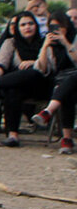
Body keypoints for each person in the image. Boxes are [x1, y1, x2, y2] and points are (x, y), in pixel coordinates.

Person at [0, 12, 49, 147]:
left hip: (41, 84)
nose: (27, 27)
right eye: (23, 25)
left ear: (36, 26)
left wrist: (33, 62)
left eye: (30, 24)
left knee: (32, 73)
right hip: (17, 84)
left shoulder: (44, 42)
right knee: (13, 89)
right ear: (17, 28)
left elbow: (45, 68)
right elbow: (1, 65)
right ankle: (12, 136)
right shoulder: (10, 43)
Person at [26, 11, 77, 154]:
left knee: (71, 81)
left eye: (60, 26)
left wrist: (65, 42)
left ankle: (48, 111)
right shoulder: (50, 45)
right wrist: (45, 47)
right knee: (67, 93)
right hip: (61, 83)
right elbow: (41, 69)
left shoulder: (74, 39)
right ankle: (67, 139)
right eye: (53, 27)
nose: (57, 30)